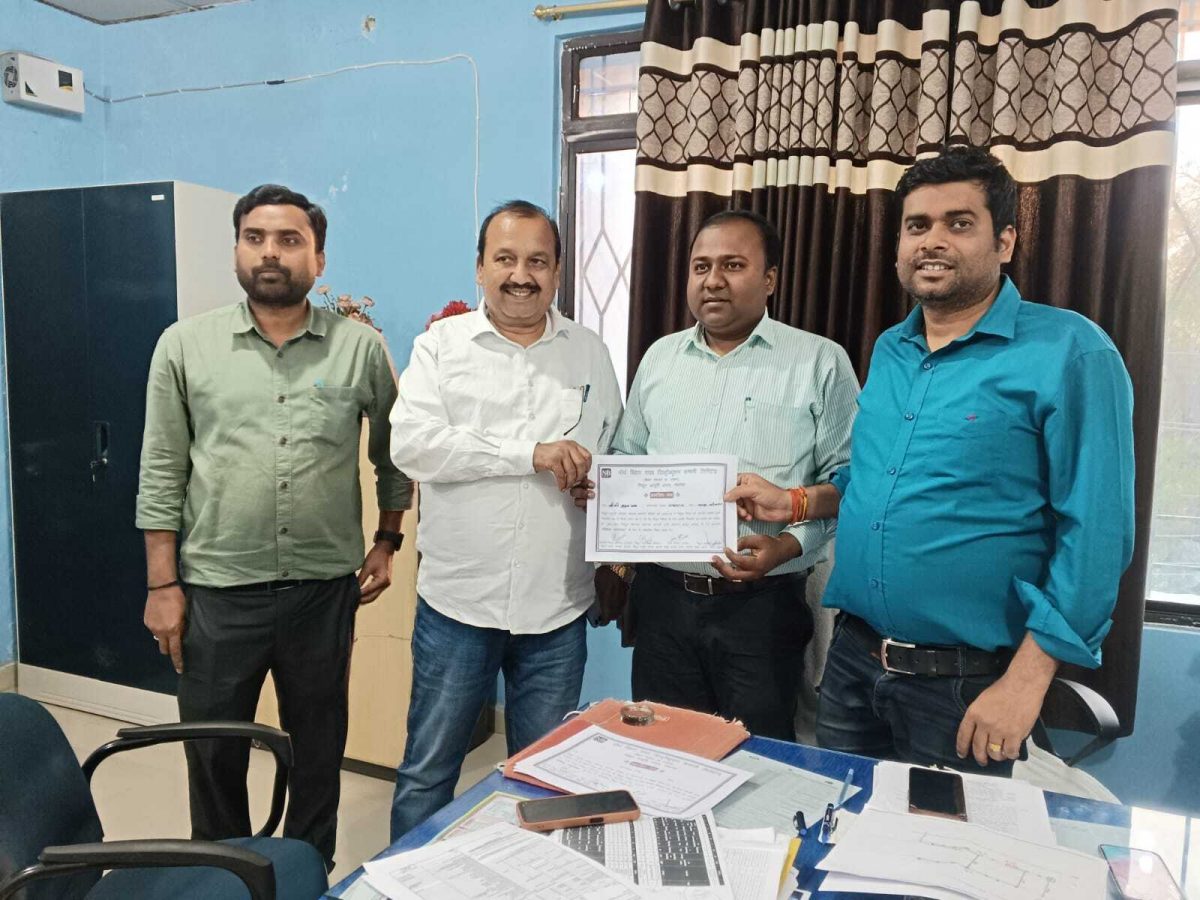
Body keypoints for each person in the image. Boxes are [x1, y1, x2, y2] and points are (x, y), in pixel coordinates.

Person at [731, 147, 1135, 774]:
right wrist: (795, 502)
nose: (932, 241)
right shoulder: (892, 348)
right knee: (843, 826)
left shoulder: (1070, 351)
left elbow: (1098, 535)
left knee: (951, 841)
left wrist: (1027, 681)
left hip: (968, 687)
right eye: (917, 225)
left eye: (959, 223)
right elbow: (871, 480)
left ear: (1005, 241)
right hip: (853, 665)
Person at [137, 183, 412, 869]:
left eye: (290, 240)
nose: (270, 252)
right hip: (216, 594)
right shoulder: (183, 346)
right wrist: (162, 586)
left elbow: (394, 456)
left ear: (318, 259)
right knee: (213, 753)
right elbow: (162, 469)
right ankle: (222, 875)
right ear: (236, 249)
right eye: (255, 237)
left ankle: (306, 869)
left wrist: (387, 539)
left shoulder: (359, 349)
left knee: (318, 750)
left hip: (323, 594)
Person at [388, 200, 623, 840]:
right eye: (506, 259)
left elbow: (616, 448)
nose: (522, 275)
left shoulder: (589, 352)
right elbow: (412, 446)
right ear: (480, 268)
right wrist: (529, 454)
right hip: (458, 606)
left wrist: (603, 485)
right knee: (427, 772)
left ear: (557, 272)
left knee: (543, 777)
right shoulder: (441, 347)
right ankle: (406, 878)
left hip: (556, 610)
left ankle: (529, 879)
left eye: (538, 262)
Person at [590, 210, 859, 741]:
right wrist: (606, 501)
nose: (713, 280)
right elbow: (628, 456)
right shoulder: (660, 358)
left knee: (759, 755)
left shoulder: (820, 362)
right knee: (662, 748)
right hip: (663, 604)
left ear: (770, 279)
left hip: (763, 609)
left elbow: (850, 481)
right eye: (701, 266)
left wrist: (787, 545)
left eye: (733, 265)